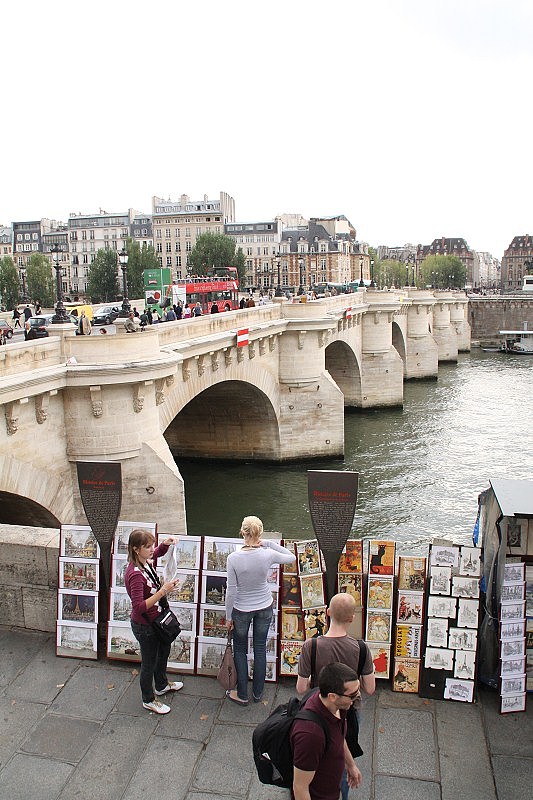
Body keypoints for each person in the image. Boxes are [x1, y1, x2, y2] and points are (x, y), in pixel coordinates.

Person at [296, 592, 375, 800]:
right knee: (341, 758)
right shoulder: (361, 648)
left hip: (318, 711)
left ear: (328, 612)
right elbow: (370, 688)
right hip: (349, 711)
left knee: (315, 756)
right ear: (352, 618)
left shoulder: (311, 646)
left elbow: (301, 688)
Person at [225, 515, 295, 705]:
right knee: (260, 647)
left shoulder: (233, 558)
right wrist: (270, 544)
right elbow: (291, 557)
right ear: (260, 533)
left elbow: (231, 591)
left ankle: (242, 694)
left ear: (242, 532)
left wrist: (228, 616)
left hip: (241, 608)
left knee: (240, 650)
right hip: (264, 605)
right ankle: (258, 693)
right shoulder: (267, 554)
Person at [124, 529, 184, 714]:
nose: (152, 549)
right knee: (149, 662)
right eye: (147, 546)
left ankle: (161, 684)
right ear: (136, 549)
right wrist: (163, 591)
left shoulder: (143, 562)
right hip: (145, 625)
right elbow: (139, 607)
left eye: (152, 545)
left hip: (156, 620)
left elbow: (157, 553)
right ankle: (148, 699)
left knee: (163, 650)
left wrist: (165, 544)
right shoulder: (135, 574)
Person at [291, 662, 362, 800]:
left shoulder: (339, 706)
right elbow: (300, 787)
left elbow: (339, 736)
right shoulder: (311, 735)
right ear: (332, 696)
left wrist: (350, 764)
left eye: (357, 690)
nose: (357, 696)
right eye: (352, 694)